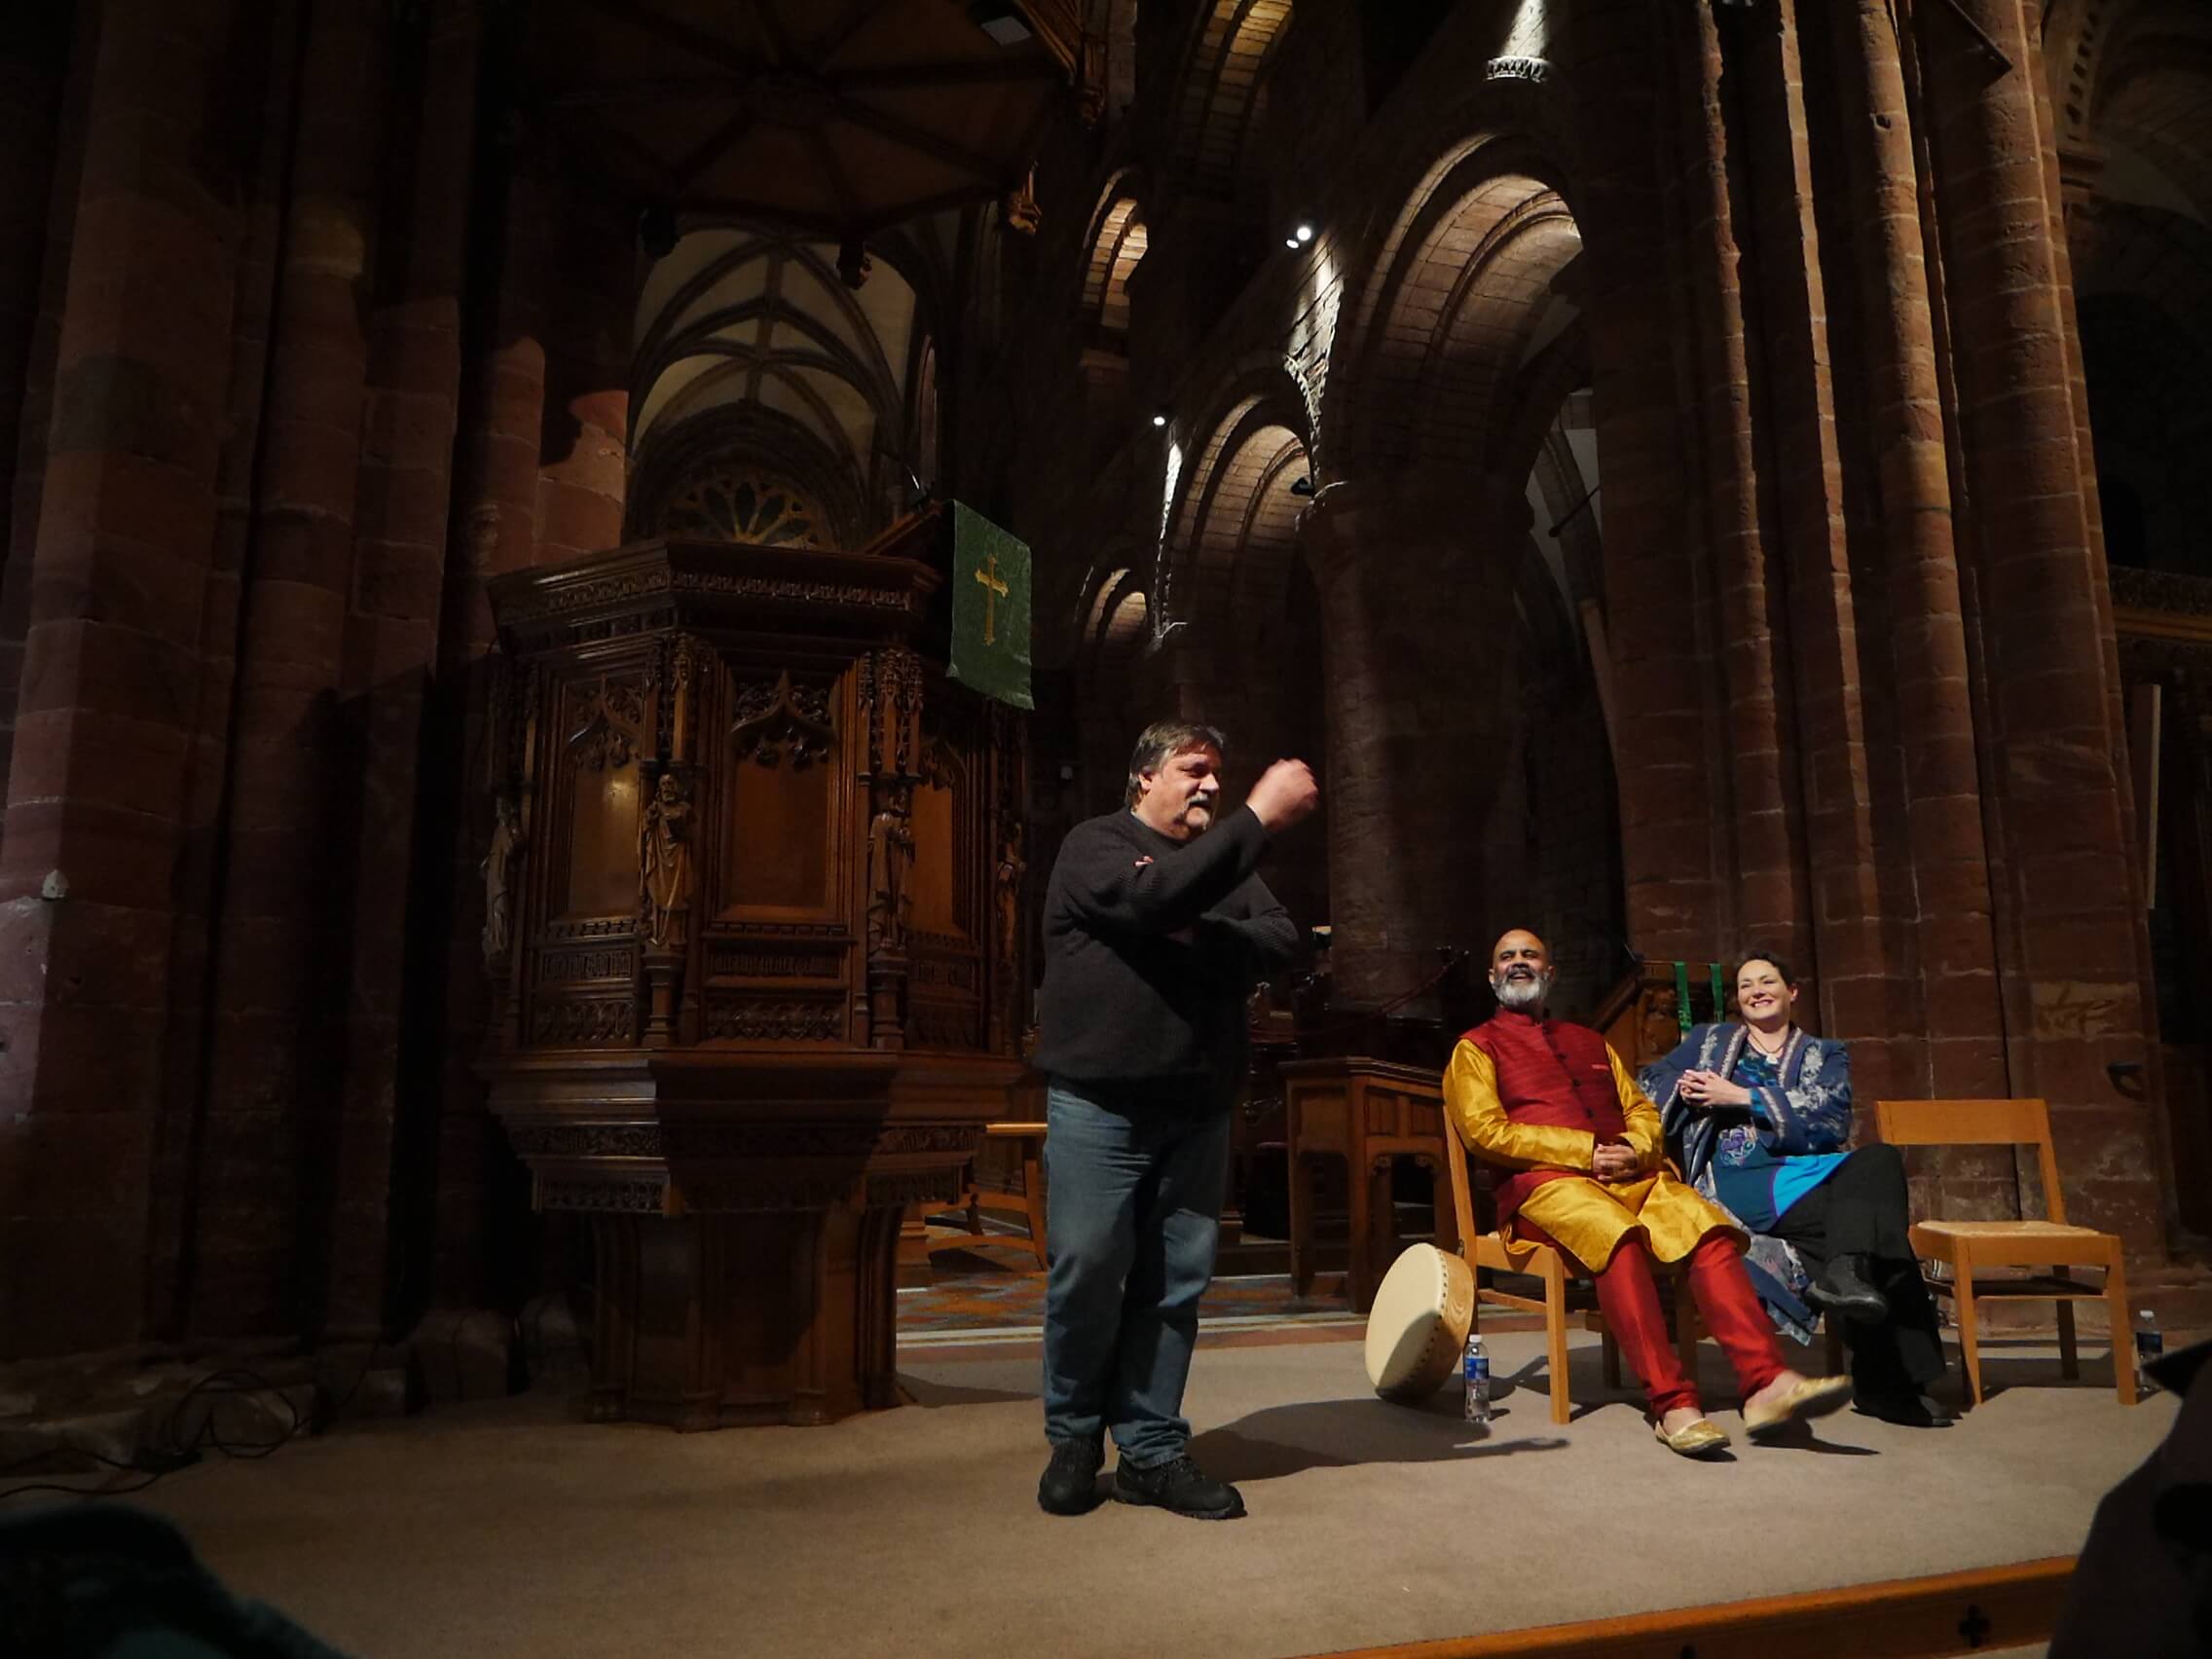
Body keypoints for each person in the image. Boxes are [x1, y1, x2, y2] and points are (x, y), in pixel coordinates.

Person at [1032, 721, 1316, 1519]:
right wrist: (1257, 817)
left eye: (1219, 775)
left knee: (1174, 1286)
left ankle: (1151, 1451)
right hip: (1100, 1104)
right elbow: (1153, 896)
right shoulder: (1095, 844)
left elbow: (1281, 939)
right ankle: (1075, 1436)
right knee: (1087, 1272)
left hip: (1197, 1105)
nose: (1211, 786)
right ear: (1144, 778)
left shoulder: (1219, 865)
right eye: (1194, 769)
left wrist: (1187, 931)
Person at [1444, 929, 1853, 1456]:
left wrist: (1634, 1149)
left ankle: (1765, 1383)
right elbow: (1484, 1131)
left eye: (1530, 955)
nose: (1518, 962)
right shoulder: (1475, 1048)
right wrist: (1585, 1152)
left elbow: (1641, 1109)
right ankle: (1671, 1402)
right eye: (1507, 957)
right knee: (1618, 1237)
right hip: (1547, 1188)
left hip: (1633, 1178)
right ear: (1492, 975)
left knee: (1707, 1229)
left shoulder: (1591, 1042)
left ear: (1550, 972)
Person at [1640, 952, 1952, 1427]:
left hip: (1808, 1172)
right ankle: (1893, 1382)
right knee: (1873, 1222)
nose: (1757, 991)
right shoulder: (1710, 1041)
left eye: (1767, 981)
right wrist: (1685, 1088)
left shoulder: (1825, 1053)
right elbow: (1648, 1081)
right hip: (1743, 1177)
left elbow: (1830, 1118)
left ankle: (1848, 1279)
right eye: (1746, 985)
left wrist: (1740, 1096)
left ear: (1792, 991)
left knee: (1879, 1172)